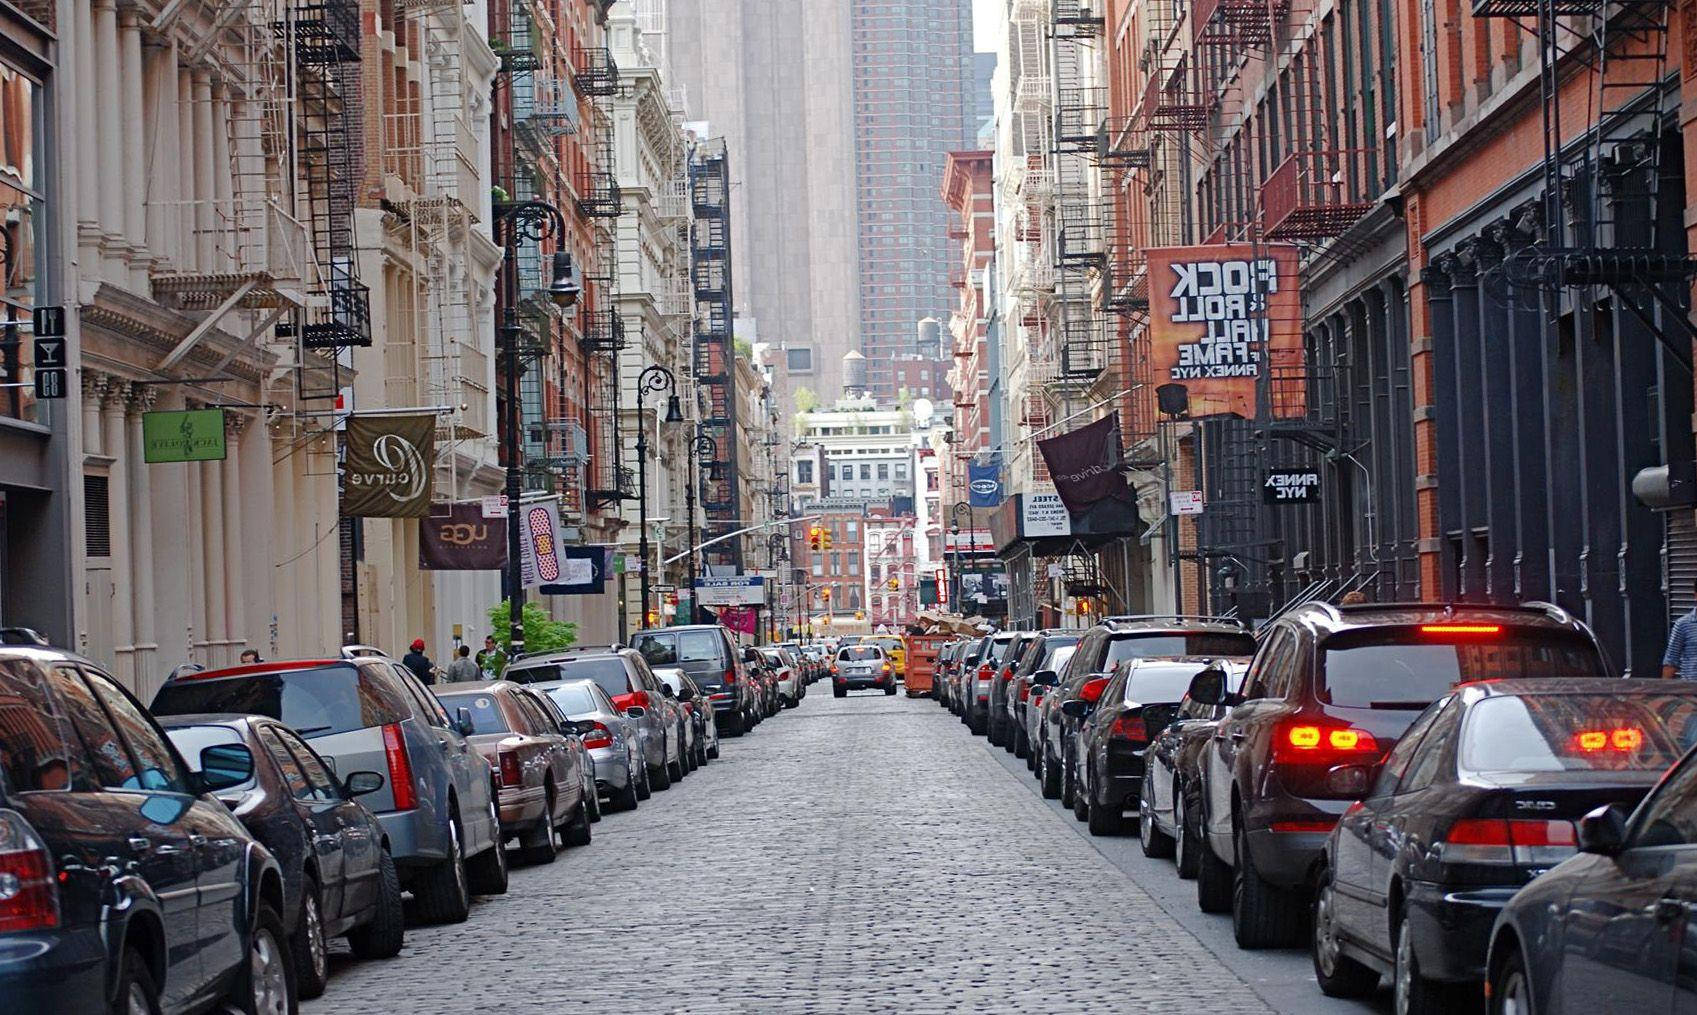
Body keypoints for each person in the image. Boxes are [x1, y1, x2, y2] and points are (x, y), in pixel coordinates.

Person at [1664, 587, 1697, 679]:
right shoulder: (1683, 624)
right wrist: (1664, 690)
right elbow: (1671, 660)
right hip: (1691, 689)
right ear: (1695, 595)